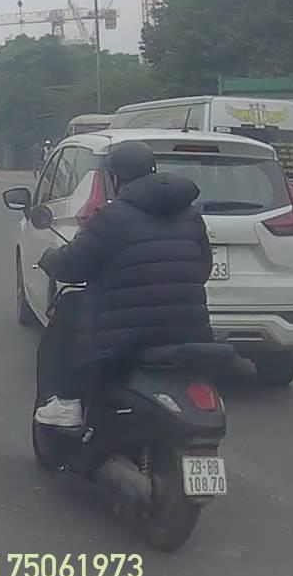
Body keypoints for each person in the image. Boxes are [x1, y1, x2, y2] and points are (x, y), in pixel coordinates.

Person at [33, 140, 214, 428]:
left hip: (125, 337)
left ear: (115, 178)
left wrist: (49, 259)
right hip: (191, 331)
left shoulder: (111, 216)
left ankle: (66, 403)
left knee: (68, 309)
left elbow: (73, 266)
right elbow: (203, 268)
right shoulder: (191, 216)